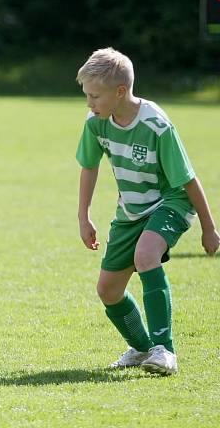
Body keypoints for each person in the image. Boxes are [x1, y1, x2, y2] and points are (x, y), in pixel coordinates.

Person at [76, 47, 219, 376]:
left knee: (146, 255)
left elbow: (188, 180)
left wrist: (209, 229)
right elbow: (89, 167)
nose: (89, 103)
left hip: (171, 201)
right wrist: (83, 217)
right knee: (108, 291)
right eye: (86, 96)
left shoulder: (156, 124)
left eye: (95, 96)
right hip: (131, 210)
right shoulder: (96, 123)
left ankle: (164, 350)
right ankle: (142, 349)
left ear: (120, 92)